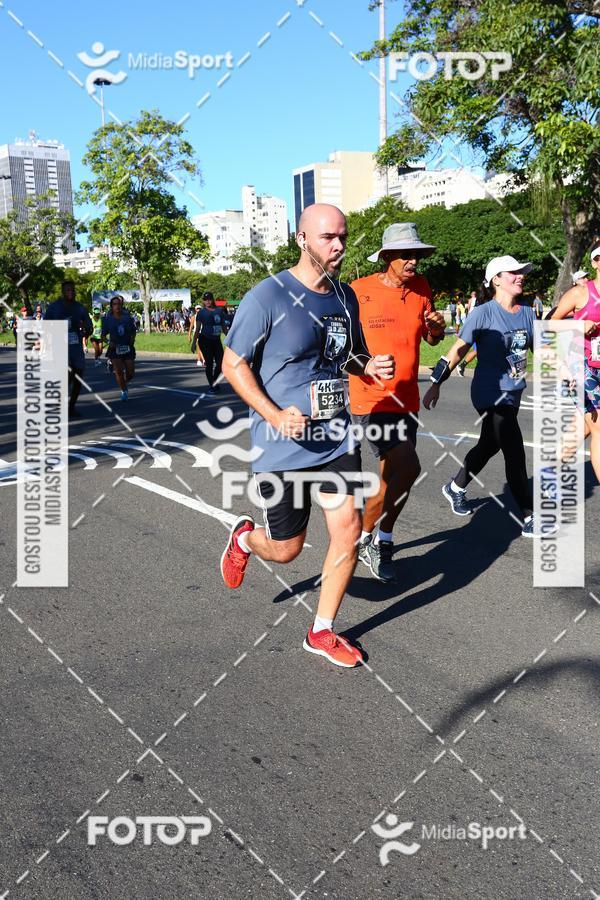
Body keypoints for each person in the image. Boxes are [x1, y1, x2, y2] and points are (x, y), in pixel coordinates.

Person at [220, 203, 395, 669]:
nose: (338, 246)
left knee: (349, 531)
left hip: (336, 436)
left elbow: (349, 355)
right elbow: (233, 365)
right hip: (282, 443)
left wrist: (369, 366)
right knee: (287, 549)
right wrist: (274, 415)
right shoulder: (267, 297)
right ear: (301, 239)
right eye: (326, 237)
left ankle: (321, 630)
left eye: (342, 236)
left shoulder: (344, 297)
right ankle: (243, 539)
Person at [348, 222, 445, 581]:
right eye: (406, 255)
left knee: (396, 479)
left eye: (417, 255)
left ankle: (381, 539)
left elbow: (431, 339)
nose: (413, 261)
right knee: (409, 466)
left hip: (407, 398)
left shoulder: (421, 289)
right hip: (371, 399)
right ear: (387, 257)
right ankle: (362, 537)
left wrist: (436, 327)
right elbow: (343, 344)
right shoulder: (358, 291)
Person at [423, 255, 536, 537]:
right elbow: (457, 351)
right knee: (513, 447)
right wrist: (436, 382)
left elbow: (542, 352)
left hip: (514, 390)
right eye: (513, 272)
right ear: (496, 279)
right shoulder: (482, 313)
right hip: (488, 391)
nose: (520, 276)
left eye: (521, 272)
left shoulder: (528, 312)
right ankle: (530, 515)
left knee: (489, 444)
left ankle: (455, 486)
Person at [551, 243, 600, 481]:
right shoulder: (581, 292)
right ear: (594, 263)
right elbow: (550, 323)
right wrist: (579, 325)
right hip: (580, 365)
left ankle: (550, 473)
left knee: (586, 424)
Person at [44, 280, 93, 417]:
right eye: (67, 290)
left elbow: (89, 327)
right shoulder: (54, 308)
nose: (70, 292)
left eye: (72, 290)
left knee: (78, 378)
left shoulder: (80, 308)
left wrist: (86, 330)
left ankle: (70, 407)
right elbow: (45, 326)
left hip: (76, 348)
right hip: (59, 347)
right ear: (63, 292)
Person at [101, 295, 137, 401]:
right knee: (119, 371)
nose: (117, 306)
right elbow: (103, 335)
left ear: (122, 305)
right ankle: (124, 391)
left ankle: (123, 383)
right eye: (115, 304)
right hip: (115, 348)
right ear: (111, 306)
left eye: (119, 304)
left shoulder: (127, 318)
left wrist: (132, 339)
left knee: (131, 373)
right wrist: (108, 342)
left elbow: (133, 331)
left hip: (127, 347)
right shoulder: (108, 319)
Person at [195, 291, 225, 393]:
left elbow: (224, 326)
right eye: (205, 299)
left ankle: (214, 381)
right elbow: (198, 329)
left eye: (209, 299)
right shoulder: (201, 313)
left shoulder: (219, 311)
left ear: (212, 299)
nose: (207, 301)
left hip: (216, 340)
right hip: (205, 340)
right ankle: (212, 385)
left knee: (221, 363)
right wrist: (194, 342)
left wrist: (230, 337)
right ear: (203, 301)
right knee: (209, 364)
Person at [189, 304, 205, 368]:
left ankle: (200, 360)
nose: (198, 310)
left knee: (202, 347)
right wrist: (189, 335)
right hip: (197, 333)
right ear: (195, 310)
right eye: (197, 309)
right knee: (200, 346)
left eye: (200, 309)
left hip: (203, 332)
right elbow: (191, 327)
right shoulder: (194, 317)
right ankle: (202, 360)